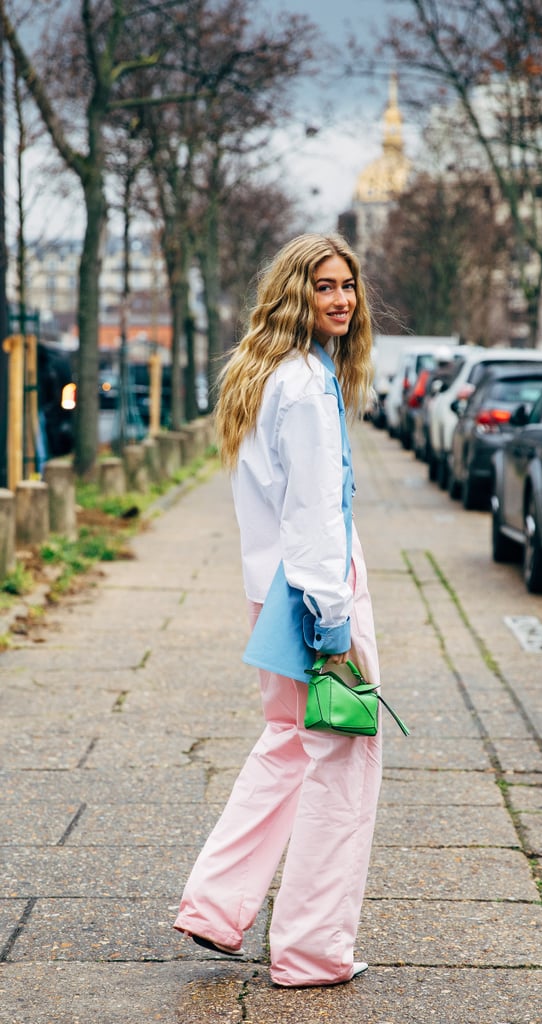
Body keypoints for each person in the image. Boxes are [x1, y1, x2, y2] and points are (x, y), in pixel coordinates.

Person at [173, 233, 383, 988]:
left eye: (347, 285)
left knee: (288, 744)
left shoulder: (264, 376)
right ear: (294, 293)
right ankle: (310, 951)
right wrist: (333, 629)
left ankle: (215, 904)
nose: (340, 299)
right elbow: (316, 516)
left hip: (272, 592)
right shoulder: (305, 388)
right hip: (313, 594)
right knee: (341, 765)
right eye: (323, 286)